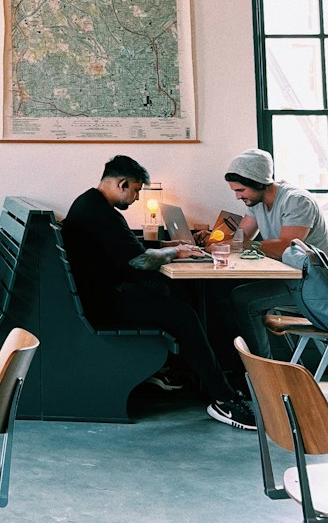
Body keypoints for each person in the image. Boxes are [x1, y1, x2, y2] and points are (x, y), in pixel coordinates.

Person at [62, 155, 255, 430]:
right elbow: (139, 261)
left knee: (174, 296)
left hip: (101, 293)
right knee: (184, 315)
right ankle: (223, 399)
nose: (137, 198)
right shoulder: (103, 213)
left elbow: (126, 249)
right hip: (105, 301)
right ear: (122, 183)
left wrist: (169, 244)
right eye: (137, 191)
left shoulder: (89, 203)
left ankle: (192, 377)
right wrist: (176, 251)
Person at [225, 148, 328, 359]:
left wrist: (243, 245)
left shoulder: (297, 201)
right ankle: (251, 367)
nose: (237, 196)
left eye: (241, 190)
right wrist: (213, 241)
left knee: (243, 298)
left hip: (314, 283)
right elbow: (241, 237)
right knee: (227, 290)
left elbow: (284, 246)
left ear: (258, 182)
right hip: (292, 277)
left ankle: (262, 369)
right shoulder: (256, 202)